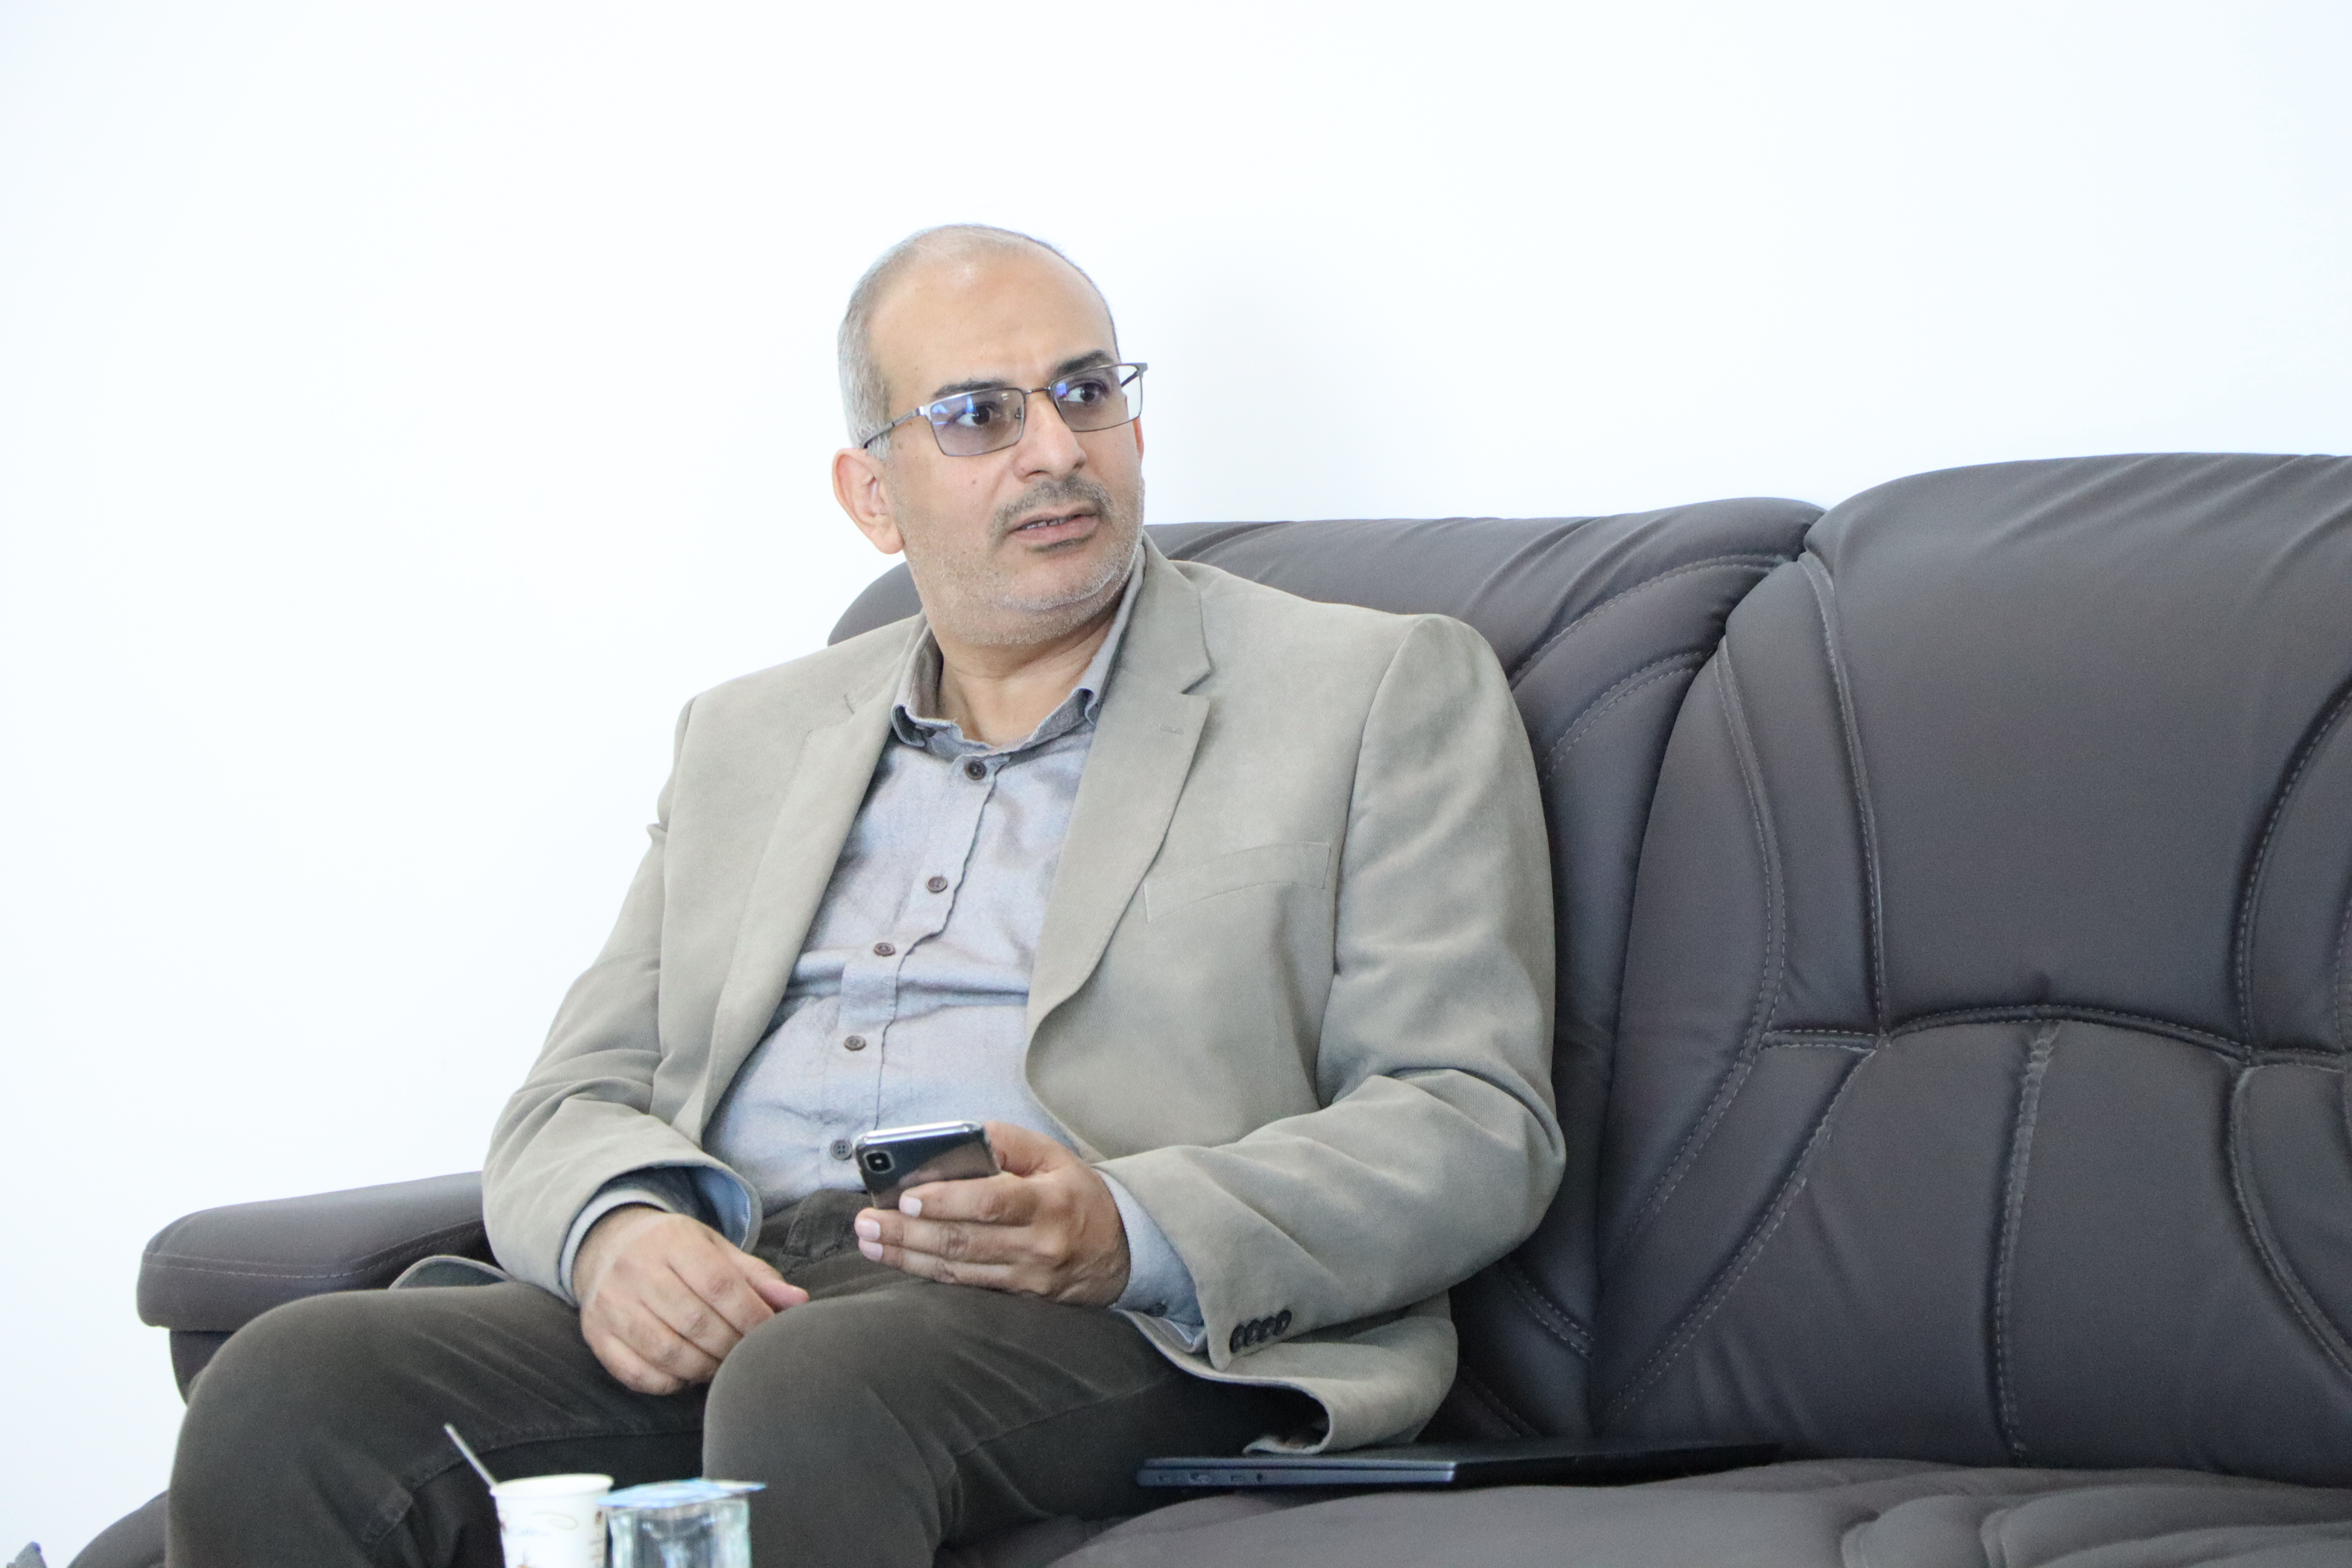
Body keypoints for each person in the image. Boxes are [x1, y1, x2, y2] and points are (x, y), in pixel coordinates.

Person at [167, 224, 1564, 1567]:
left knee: (816, 1386)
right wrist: (620, 1233)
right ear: (871, 496)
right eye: (978, 414)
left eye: (1087, 391)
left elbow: (1471, 1118)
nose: (1056, 449)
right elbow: (571, 1097)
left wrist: (1124, 1228)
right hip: (756, 1283)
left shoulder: (1373, 687)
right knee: (297, 1387)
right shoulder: (748, 737)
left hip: (1111, 1313)